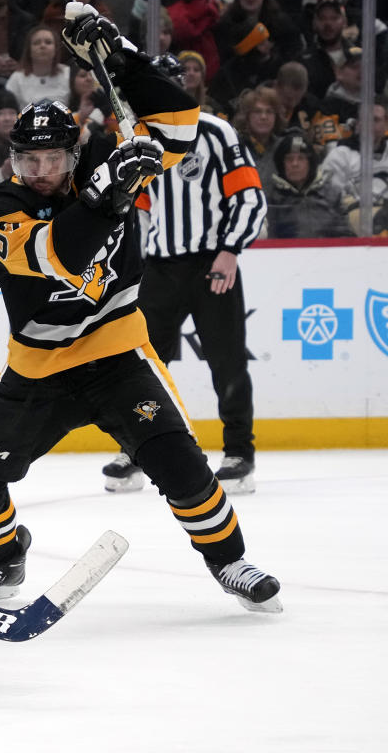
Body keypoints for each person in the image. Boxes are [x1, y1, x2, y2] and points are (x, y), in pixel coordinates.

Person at [0, 5, 281, 615]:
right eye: (27, 160)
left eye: (51, 160)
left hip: (118, 356)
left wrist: (116, 52)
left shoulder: (106, 163)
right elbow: (60, 256)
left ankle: (230, 562)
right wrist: (107, 197)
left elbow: (177, 124)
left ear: (73, 155)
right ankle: (1, 562)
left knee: (182, 468)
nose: (39, 172)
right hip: (36, 371)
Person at [103, 56, 266, 497]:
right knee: (142, 365)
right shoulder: (136, 138)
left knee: (226, 359)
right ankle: (135, 450)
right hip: (160, 268)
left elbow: (250, 198)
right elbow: (135, 211)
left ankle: (239, 453)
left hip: (212, 264)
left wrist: (230, 250)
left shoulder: (216, 132)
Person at [265, 130, 353, 240]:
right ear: (281, 164)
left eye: (301, 158)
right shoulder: (271, 200)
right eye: (289, 159)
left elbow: (346, 236)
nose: (295, 164)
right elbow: (268, 241)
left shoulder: (331, 195)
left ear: (310, 162)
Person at [4, 25, 72, 111]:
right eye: (36, 43)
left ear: (56, 49)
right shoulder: (17, 78)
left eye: (48, 42)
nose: (42, 46)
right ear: (29, 50)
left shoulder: (68, 74)